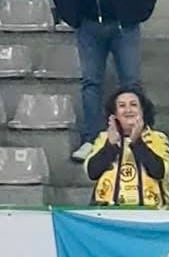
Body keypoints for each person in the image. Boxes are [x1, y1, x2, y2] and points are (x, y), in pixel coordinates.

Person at [56, 0, 155, 162]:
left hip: (126, 24)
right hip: (88, 23)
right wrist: (72, 16)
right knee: (91, 84)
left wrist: (139, 12)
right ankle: (92, 140)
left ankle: (138, 138)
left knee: (131, 84)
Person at [84, 87, 169, 207]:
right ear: (114, 114)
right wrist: (110, 145)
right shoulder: (103, 138)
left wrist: (137, 142)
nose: (128, 110)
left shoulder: (157, 138)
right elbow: (92, 172)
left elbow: (159, 171)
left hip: (151, 214)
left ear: (143, 111)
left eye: (133, 105)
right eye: (122, 106)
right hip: (106, 213)